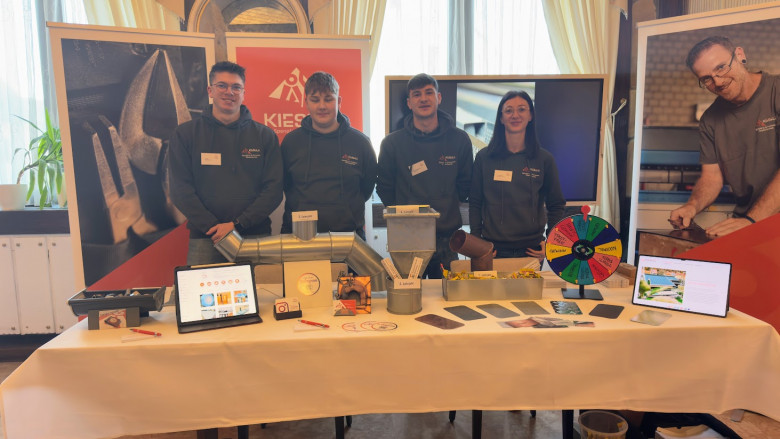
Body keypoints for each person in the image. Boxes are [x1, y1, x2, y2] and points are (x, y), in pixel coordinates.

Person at [169, 61, 283, 264]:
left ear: (243, 93)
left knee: (261, 285)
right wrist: (213, 227)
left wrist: (237, 224)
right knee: (201, 286)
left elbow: (273, 190)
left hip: (254, 236)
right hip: (206, 238)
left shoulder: (264, 136)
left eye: (236, 87)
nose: (229, 92)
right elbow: (180, 190)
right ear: (210, 90)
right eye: (222, 85)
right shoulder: (186, 134)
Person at [669, 36, 779, 237]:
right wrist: (692, 206)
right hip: (748, 222)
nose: (718, 82)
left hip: (755, 220)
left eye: (721, 67)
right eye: (707, 79)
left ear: (739, 55)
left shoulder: (776, 91)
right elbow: (712, 177)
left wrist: (752, 220)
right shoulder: (710, 120)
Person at [377, 73, 473, 278]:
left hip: (447, 240)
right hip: (407, 238)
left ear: (439, 98)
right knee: (409, 296)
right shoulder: (392, 144)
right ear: (409, 103)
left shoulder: (460, 140)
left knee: (449, 295)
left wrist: (445, 205)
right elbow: (384, 188)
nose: (423, 99)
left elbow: (465, 186)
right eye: (417, 94)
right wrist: (406, 214)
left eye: (429, 93)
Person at [469, 90, 565, 262]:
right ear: (501, 118)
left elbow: (556, 204)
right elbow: (475, 203)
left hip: (531, 251)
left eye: (521, 109)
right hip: (493, 250)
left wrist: (551, 241)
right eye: (509, 110)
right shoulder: (484, 158)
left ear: (530, 116)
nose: (515, 115)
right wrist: (477, 244)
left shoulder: (544, 159)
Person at [280, 71, 376, 239]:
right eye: (315, 100)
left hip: (348, 237)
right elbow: (285, 184)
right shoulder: (291, 142)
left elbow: (367, 188)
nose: (322, 106)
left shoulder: (360, 143)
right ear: (306, 102)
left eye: (328, 99)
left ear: (338, 101)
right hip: (299, 237)